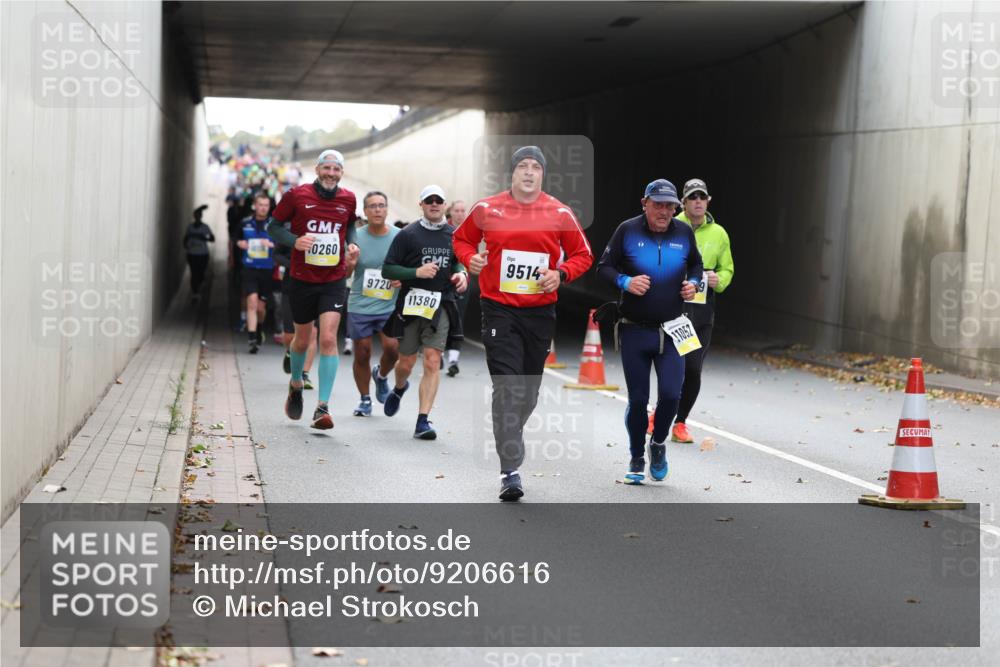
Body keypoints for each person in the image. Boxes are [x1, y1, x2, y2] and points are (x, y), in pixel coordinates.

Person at [453, 146, 593, 501]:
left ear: (542, 174)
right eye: (523, 167)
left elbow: (583, 255)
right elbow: (461, 238)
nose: (529, 172)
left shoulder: (559, 212)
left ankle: (510, 431)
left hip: (539, 311)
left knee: (527, 392)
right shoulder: (487, 208)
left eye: (536, 167)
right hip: (498, 307)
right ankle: (510, 470)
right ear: (512, 173)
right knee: (507, 385)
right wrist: (471, 260)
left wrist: (559, 274)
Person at [596, 179, 702, 484]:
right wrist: (625, 282)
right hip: (634, 330)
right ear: (645, 203)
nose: (665, 211)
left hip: (672, 329)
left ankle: (657, 444)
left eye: (670, 206)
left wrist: (693, 284)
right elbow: (604, 267)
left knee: (671, 395)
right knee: (639, 399)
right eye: (658, 204)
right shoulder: (626, 230)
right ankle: (636, 456)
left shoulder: (683, 232)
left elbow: (696, 265)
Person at [266, 149, 360, 430]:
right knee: (303, 340)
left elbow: (350, 226)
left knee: (329, 339)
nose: (331, 174)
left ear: (341, 173)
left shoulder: (348, 199)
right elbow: (273, 227)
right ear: (318, 170)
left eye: (336, 169)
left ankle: (322, 407)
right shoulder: (297, 195)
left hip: (333, 280)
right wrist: (295, 241)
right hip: (301, 278)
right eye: (327, 168)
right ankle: (296, 383)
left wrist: (351, 244)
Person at [381, 185, 468, 439]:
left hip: (440, 305)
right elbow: (388, 270)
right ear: (421, 204)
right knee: (406, 362)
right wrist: (415, 273)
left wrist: (461, 274)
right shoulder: (408, 234)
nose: (434, 204)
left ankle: (423, 421)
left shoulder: (453, 234)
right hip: (411, 306)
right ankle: (398, 388)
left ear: (445, 205)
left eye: (438, 200)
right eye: (429, 200)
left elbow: (459, 260)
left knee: (432, 360)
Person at [671, 178, 734, 443]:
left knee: (693, 369)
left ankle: (680, 423)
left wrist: (721, 279)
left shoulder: (718, 233)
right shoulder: (673, 227)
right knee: (674, 366)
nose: (698, 201)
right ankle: (659, 413)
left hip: (703, 310)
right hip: (675, 308)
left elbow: (727, 268)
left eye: (702, 197)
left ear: (708, 201)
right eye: (692, 197)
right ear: (683, 203)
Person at [347, 191, 402, 416]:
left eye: (381, 205)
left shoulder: (400, 237)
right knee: (362, 352)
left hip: (389, 305)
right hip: (360, 303)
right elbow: (344, 272)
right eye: (372, 206)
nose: (377, 210)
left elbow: (410, 268)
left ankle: (380, 376)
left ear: (387, 209)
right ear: (365, 212)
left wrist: (403, 278)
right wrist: (350, 263)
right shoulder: (355, 238)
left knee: (393, 349)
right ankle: (365, 399)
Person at [273, 223, 318, 389]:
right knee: (289, 336)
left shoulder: (324, 231)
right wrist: (294, 264)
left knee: (312, 333)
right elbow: (276, 256)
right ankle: (290, 351)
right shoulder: (288, 230)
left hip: (315, 287)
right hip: (291, 287)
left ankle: (304, 374)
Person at [237, 192, 277, 353]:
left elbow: (281, 246)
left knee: (261, 308)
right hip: (249, 268)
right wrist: (240, 244)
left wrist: (271, 244)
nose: (263, 208)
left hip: (267, 270)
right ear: (255, 205)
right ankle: (252, 338)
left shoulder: (274, 225)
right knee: (252, 302)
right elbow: (236, 240)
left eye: (266, 205)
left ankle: (259, 327)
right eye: (260, 205)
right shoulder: (245, 223)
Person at [444, 200, 469, 377]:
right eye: (457, 210)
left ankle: (453, 360)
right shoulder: (443, 230)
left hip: (462, 280)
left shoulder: (470, 232)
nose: (460, 214)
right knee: (439, 319)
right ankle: (436, 353)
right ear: (450, 213)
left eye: (463, 210)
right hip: (444, 280)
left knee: (457, 318)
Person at [183, 204, 215, 298]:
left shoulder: (205, 227)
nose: (197, 217)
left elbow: (212, 238)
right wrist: (186, 246)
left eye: (198, 215)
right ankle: (195, 292)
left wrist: (204, 237)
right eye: (196, 215)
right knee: (193, 273)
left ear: (201, 216)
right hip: (192, 254)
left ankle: (199, 286)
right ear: (194, 216)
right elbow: (185, 238)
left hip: (202, 254)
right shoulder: (190, 227)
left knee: (200, 273)